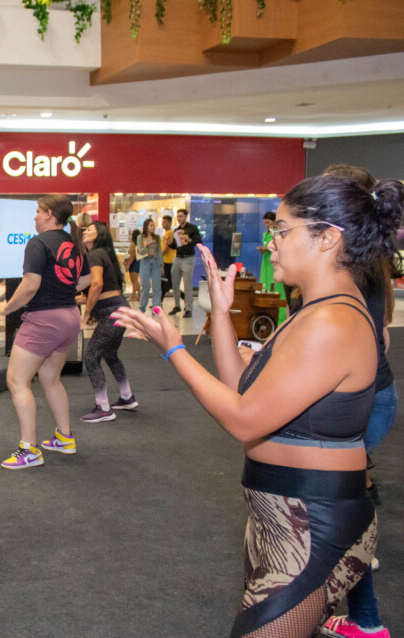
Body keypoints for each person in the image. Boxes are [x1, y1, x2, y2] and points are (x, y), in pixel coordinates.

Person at [112, 175, 404, 637]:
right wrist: (221, 313)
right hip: (285, 515)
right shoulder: (316, 311)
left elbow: (244, 421)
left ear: (328, 238)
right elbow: (244, 391)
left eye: (282, 231)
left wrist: (174, 350)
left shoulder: (332, 321)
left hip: (312, 522)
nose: (271, 244)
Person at [319, 164, 396, 638]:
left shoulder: (349, 268)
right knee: (346, 500)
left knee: (340, 510)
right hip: (373, 394)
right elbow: (380, 332)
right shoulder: (369, 260)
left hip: (363, 398)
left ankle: (366, 620)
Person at [0, 195, 84, 469]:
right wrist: (59, 291)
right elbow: (86, 280)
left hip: (45, 320)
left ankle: (29, 450)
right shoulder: (73, 242)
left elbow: (30, 284)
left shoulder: (38, 242)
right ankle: (64, 437)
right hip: (70, 317)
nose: (34, 216)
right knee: (50, 377)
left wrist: (7, 307)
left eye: (38, 211)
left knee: (17, 380)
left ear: (49, 214)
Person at [79, 221, 136, 423]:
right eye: (85, 229)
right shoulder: (102, 254)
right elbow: (98, 292)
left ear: (99, 235)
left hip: (112, 312)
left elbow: (97, 285)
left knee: (91, 357)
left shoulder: (95, 254)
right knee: (110, 354)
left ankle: (103, 407)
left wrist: (86, 314)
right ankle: (126, 396)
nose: (85, 231)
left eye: (90, 230)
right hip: (118, 309)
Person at [167, 209, 202, 317]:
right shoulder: (176, 230)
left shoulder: (192, 228)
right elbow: (176, 245)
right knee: (174, 283)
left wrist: (189, 239)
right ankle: (177, 306)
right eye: (177, 216)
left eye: (181, 216)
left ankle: (188, 308)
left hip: (188, 258)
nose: (179, 218)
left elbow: (199, 242)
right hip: (178, 258)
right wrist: (169, 244)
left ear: (186, 216)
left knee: (187, 284)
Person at [137, 218, 162, 313]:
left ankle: (156, 308)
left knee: (157, 286)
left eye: (153, 225)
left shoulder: (157, 237)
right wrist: (147, 244)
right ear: (146, 226)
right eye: (151, 225)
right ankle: (142, 307)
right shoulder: (140, 237)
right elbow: (141, 251)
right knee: (145, 286)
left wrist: (161, 264)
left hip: (155, 261)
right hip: (145, 261)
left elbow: (159, 251)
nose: (153, 227)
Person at [257, 212, 277, 292]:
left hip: (274, 261)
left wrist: (267, 248)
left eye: (268, 222)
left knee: (274, 282)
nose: (266, 225)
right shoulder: (265, 234)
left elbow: (276, 244)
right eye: (265, 223)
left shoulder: (276, 232)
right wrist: (262, 249)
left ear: (274, 221)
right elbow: (265, 249)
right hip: (265, 261)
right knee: (265, 281)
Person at [160, 214, 175, 302]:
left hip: (168, 261)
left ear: (170, 223)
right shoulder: (166, 233)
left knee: (167, 283)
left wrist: (160, 255)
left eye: (165, 222)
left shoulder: (170, 233)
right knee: (166, 283)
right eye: (162, 222)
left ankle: (158, 302)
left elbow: (168, 247)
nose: (163, 224)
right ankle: (159, 302)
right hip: (165, 261)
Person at [125, 228, 141, 301]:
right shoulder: (139, 244)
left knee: (134, 281)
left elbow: (131, 256)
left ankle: (133, 296)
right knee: (136, 281)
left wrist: (128, 265)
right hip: (137, 262)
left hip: (133, 263)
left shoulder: (133, 244)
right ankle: (139, 296)